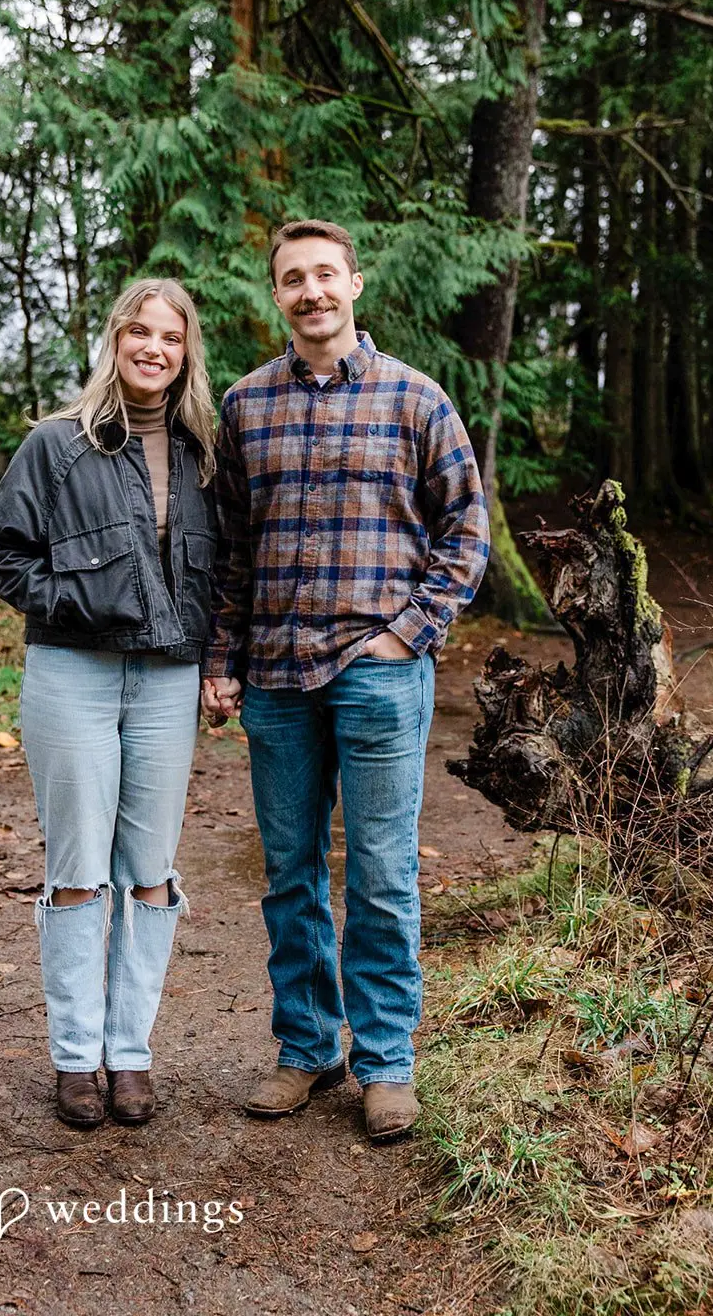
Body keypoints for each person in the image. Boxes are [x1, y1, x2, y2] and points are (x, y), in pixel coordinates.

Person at [201, 220, 489, 1143]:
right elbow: (230, 554)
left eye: (325, 274)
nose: (311, 291)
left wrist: (410, 633)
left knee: (380, 873)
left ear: (354, 284)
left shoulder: (415, 399)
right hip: (278, 679)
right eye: (293, 279)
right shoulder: (246, 406)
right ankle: (303, 1049)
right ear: (276, 296)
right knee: (289, 875)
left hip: (376, 676)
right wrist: (222, 659)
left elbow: (466, 534)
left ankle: (385, 1062)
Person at [0, 278, 217, 1130]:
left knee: (148, 873)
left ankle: (131, 1053)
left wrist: (215, 660)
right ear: (115, 341)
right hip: (71, 674)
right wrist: (70, 603)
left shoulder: (201, 455)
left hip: (167, 679)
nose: (154, 348)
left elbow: (221, 571)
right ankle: (76, 1058)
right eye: (139, 332)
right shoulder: (56, 444)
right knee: (78, 870)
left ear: (186, 352)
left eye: (171, 337)